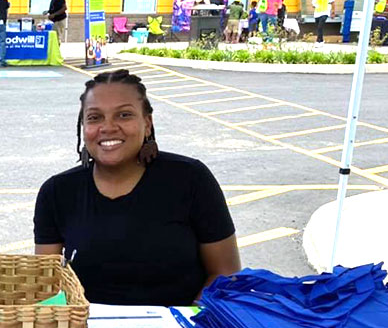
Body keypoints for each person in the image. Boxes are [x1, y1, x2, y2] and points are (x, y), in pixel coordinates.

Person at [34, 70, 241, 306]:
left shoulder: (191, 179)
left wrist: (188, 323)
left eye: (124, 115)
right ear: (84, 127)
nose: (108, 127)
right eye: (94, 117)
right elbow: (46, 285)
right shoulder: (56, 192)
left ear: (147, 123)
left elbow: (226, 274)